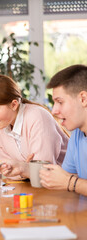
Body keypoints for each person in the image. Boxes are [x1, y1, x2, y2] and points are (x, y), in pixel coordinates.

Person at [0, 74, 69, 179]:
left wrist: (22, 168)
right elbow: (6, 170)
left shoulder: (37, 116)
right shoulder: (0, 122)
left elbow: (43, 172)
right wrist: (26, 168)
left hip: (64, 184)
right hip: (34, 186)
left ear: (14, 105)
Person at [38, 64, 87, 196]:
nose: (54, 110)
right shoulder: (77, 135)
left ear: (83, 99)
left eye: (60, 102)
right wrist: (24, 169)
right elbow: (65, 177)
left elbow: (67, 181)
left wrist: (70, 182)